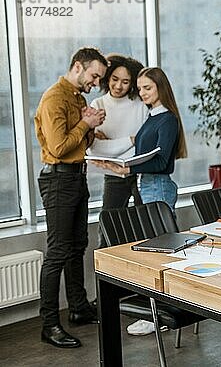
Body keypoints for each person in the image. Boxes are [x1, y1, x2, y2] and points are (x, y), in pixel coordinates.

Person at [93, 67, 187, 336]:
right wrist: (117, 162)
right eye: (141, 88)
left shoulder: (166, 119)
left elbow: (160, 161)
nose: (142, 93)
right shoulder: (152, 116)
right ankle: (159, 311)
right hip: (146, 185)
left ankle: (159, 314)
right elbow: (142, 152)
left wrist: (127, 170)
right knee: (155, 251)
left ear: (160, 89)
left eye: (148, 88)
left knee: (160, 254)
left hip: (157, 186)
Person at [35, 47, 108, 348]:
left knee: (78, 245)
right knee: (58, 252)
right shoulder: (55, 98)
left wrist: (92, 127)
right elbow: (59, 147)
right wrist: (86, 124)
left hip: (76, 177)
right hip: (59, 179)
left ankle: (78, 308)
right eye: (94, 76)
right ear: (78, 67)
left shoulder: (77, 98)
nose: (95, 84)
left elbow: (81, 144)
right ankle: (49, 325)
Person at [87, 54, 148, 248]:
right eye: (114, 80)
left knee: (147, 227)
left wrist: (113, 145)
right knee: (108, 230)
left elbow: (146, 145)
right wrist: (131, 139)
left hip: (141, 173)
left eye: (125, 82)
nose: (118, 86)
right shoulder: (98, 105)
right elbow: (97, 149)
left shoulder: (141, 105)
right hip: (113, 175)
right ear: (107, 78)